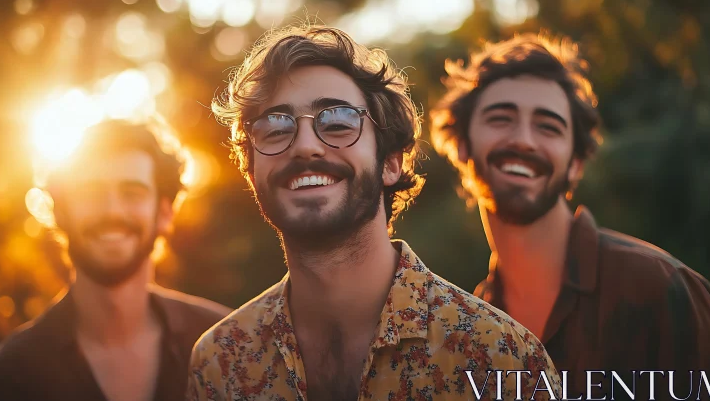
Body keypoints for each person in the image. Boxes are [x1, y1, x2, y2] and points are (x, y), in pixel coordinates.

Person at [187, 26, 561, 401]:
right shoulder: (222, 361)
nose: (303, 147)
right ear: (252, 172)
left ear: (390, 163)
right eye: (275, 128)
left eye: (337, 123)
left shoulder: (500, 358)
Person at [430, 33, 710, 399]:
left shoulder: (661, 287)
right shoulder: (467, 327)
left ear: (574, 165)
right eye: (500, 118)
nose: (524, 139)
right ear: (462, 146)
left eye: (548, 126)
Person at [0, 118, 232, 401]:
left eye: (132, 193)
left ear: (164, 214)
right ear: (60, 212)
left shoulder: (225, 343)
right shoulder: (15, 372)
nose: (112, 210)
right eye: (91, 193)